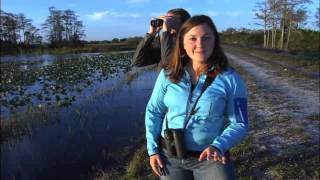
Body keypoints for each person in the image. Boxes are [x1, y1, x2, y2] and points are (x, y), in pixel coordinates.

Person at [145, 15, 248, 179]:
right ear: (182, 43)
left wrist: (218, 146)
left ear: (215, 42)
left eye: (206, 38)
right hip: (170, 157)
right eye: (192, 38)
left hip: (210, 158)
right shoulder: (167, 74)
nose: (200, 44)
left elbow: (240, 123)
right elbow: (154, 111)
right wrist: (153, 150)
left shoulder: (230, 79)